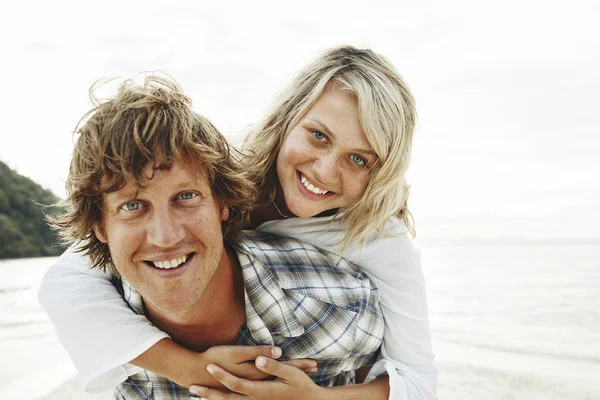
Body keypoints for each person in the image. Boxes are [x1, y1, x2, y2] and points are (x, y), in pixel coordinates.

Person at [39, 45, 437, 399]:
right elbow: (68, 283)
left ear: (382, 171)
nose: (325, 171)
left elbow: (419, 384)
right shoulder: (218, 170)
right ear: (286, 120)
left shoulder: (379, 236)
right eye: (318, 136)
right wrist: (196, 370)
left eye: (358, 159)